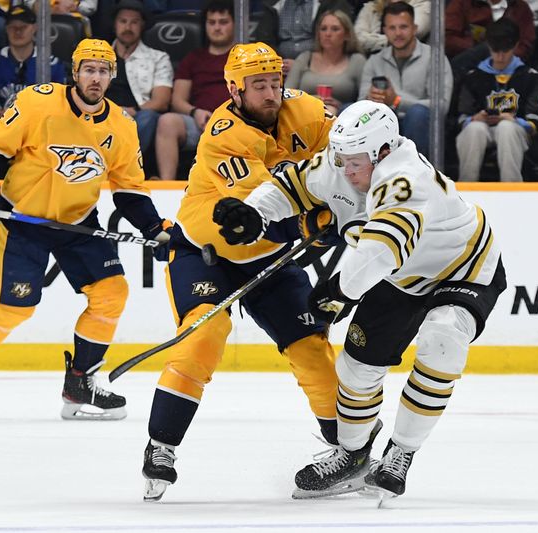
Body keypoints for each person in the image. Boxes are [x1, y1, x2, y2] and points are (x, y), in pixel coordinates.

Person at [214, 100, 507, 499]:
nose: (347, 173)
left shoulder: (405, 179)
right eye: (342, 161)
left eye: (355, 163)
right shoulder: (343, 161)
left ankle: (400, 454)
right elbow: (291, 187)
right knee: (355, 370)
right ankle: (352, 455)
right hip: (400, 275)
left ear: (383, 151)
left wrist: (338, 292)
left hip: (464, 267)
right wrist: (254, 214)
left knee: (443, 339)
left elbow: (380, 252)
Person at [140, 42, 339, 502]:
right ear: (234, 88)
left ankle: (348, 451)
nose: (271, 93)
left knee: (312, 348)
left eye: (275, 82)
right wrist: (317, 220)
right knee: (203, 336)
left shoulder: (307, 111)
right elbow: (266, 210)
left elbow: (348, 158)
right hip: (207, 251)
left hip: (270, 257)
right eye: (259, 85)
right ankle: (161, 446)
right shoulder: (223, 133)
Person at [0, 39, 173, 419]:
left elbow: (130, 189)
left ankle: (80, 381)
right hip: (23, 218)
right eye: (89, 70)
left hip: (78, 221)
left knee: (111, 293)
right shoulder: (39, 103)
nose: (95, 78)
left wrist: (155, 226)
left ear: (111, 76)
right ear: (75, 73)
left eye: (103, 71)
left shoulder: (121, 125)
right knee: (14, 307)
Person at [0, 6, 66, 179]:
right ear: (6, 29)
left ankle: (53, 178)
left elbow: (57, 103)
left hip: (39, 124)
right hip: (0, 119)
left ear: (34, 28)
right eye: (13, 27)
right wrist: (9, 117)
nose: (17, 32)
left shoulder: (52, 65)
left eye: (23, 27)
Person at [153, 0, 236, 181]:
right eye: (211, 22)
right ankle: (167, 185)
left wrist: (225, 117)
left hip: (235, 122)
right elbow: (177, 100)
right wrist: (195, 112)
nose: (217, 27)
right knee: (167, 121)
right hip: (200, 122)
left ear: (235, 24)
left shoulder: (242, 57)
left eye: (223, 22)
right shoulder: (194, 58)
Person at [359, 1, 453, 158]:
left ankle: (417, 174)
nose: (398, 33)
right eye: (392, 28)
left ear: (414, 29)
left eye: (403, 27)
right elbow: (360, 102)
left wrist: (397, 101)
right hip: (385, 125)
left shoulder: (435, 58)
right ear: (384, 31)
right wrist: (371, 100)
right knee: (350, 111)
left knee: (417, 114)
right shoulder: (374, 61)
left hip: (421, 125)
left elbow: (441, 106)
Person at [455, 19, 538, 182]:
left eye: (505, 50)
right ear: (488, 46)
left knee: (506, 128)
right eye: (496, 50)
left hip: (515, 131)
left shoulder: (531, 77)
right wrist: (474, 118)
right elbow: (460, 117)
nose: (501, 56)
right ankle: (466, 189)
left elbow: (537, 121)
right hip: (482, 129)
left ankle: (512, 190)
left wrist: (514, 120)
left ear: (516, 46)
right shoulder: (473, 77)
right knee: (475, 129)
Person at [107, 0, 173, 156]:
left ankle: (126, 161)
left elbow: (161, 102)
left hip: (137, 116)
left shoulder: (158, 58)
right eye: (123, 21)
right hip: (104, 113)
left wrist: (131, 111)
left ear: (142, 25)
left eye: (134, 22)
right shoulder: (99, 56)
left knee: (149, 117)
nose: (128, 27)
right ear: (115, 24)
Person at [284, 9, 366, 116]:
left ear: (347, 35)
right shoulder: (305, 58)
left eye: (335, 29)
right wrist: (311, 100)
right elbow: (286, 94)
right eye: (323, 29)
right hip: (304, 113)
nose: (328, 34)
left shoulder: (357, 60)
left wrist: (342, 107)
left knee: (329, 110)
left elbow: (365, 101)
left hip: (344, 118)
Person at [252, 0, 353, 74]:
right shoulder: (275, 4)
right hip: (279, 66)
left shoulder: (329, 4)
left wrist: (301, 65)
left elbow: (332, 41)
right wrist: (279, 62)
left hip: (315, 66)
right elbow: (264, 40)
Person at [444, 0, 536, 62]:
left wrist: (501, 55)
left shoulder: (520, 7)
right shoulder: (462, 3)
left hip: (510, 68)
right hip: (471, 67)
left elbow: (525, 46)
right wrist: (481, 50)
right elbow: (448, 39)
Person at [354, 0, 430, 54]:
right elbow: (356, 38)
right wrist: (389, 41)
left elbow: (414, 33)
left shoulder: (421, 3)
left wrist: (370, 41)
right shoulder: (371, 7)